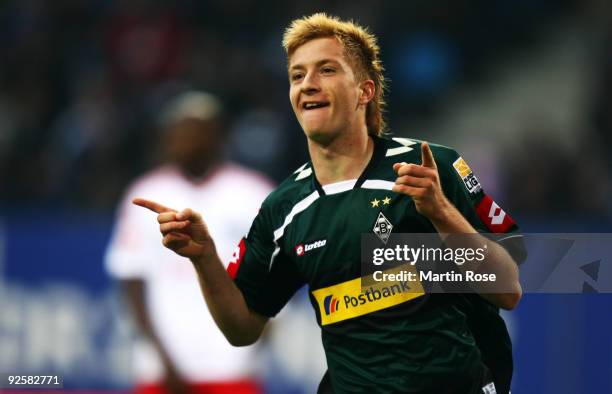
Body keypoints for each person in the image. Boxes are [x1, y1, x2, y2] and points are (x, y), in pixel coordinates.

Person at [134, 14, 525, 394]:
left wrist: (441, 212)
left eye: (326, 70)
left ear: (364, 91)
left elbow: (507, 289)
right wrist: (204, 259)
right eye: (297, 75)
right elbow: (242, 329)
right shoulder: (285, 208)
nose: (308, 84)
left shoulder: (431, 166)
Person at [105, 91, 272, 394]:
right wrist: (161, 358)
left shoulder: (252, 192)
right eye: (178, 131)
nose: (184, 140)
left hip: (230, 363)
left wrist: (261, 335)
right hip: (161, 367)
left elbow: (276, 272)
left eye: (194, 131)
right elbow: (132, 281)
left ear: (217, 135)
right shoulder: (147, 192)